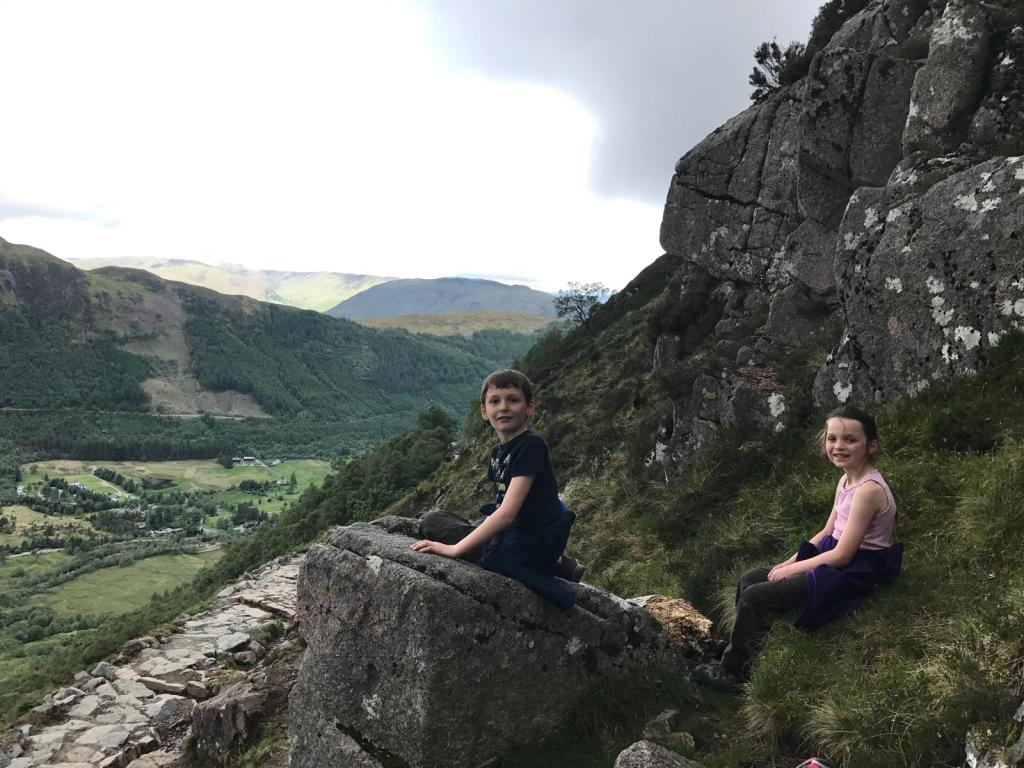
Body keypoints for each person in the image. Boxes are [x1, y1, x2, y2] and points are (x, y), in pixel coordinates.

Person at [698, 405, 903, 688]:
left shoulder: (868, 490)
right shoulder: (846, 479)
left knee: (757, 597)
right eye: (832, 438)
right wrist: (787, 563)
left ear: (871, 446)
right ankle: (739, 651)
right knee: (750, 579)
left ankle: (734, 675)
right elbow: (827, 531)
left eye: (850, 440)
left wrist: (790, 571)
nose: (839, 446)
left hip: (857, 568)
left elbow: (844, 555)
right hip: (835, 552)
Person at [411, 369, 581, 610]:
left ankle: (546, 563)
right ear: (484, 411)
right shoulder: (498, 452)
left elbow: (507, 514)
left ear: (530, 408)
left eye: (513, 400)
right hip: (522, 536)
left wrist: (454, 550)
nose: (504, 407)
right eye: (495, 401)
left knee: (432, 523)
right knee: (442, 518)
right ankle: (557, 563)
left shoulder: (530, 446)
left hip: (524, 546)